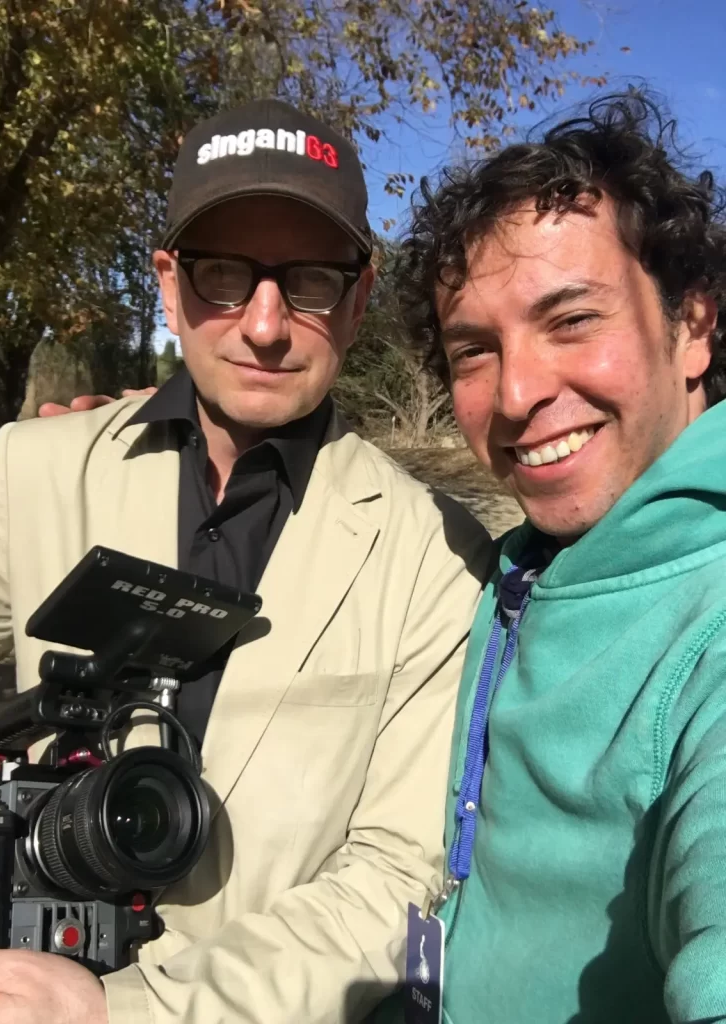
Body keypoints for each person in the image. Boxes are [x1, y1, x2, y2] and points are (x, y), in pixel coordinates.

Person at [0, 99, 492, 1024]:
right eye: (223, 275)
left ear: (359, 299)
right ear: (169, 285)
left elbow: (397, 873)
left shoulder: (434, 554)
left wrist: (121, 1013)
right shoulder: (29, 471)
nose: (265, 325)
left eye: (311, 282)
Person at [387, 90, 726, 1022]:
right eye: (473, 352)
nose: (518, 392)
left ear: (692, 326)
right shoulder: (517, 565)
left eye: (572, 320)